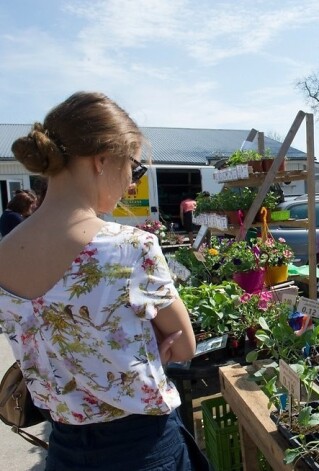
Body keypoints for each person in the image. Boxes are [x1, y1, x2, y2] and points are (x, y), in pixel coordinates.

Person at [0, 92, 210, 470]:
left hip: (63, 450)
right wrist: (143, 346)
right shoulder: (129, 246)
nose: (131, 182)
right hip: (142, 447)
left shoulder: (3, 254)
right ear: (101, 160)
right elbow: (184, 347)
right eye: (133, 166)